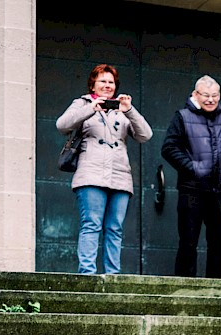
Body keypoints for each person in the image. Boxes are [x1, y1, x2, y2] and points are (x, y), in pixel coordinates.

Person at [56, 63, 153, 274]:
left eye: (111, 82)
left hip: (120, 176)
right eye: (103, 81)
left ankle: (113, 275)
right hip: (90, 174)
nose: (107, 86)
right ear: (93, 84)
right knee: (91, 224)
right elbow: (62, 125)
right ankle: (87, 274)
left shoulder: (122, 109)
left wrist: (131, 111)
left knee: (115, 229)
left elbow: (145, 135)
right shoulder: (82, 103)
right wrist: (91, 108)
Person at [161, 75, 221, 278]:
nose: (210, 100)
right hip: (191, 189)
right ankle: (184, 287)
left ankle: (217, 289)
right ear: (195, 95)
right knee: (188, 241)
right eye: (206, 95)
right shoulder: (181, 117)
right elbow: (169, 148)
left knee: (219, 243)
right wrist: (193, 168)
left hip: (219, 189)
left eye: (214, 95)